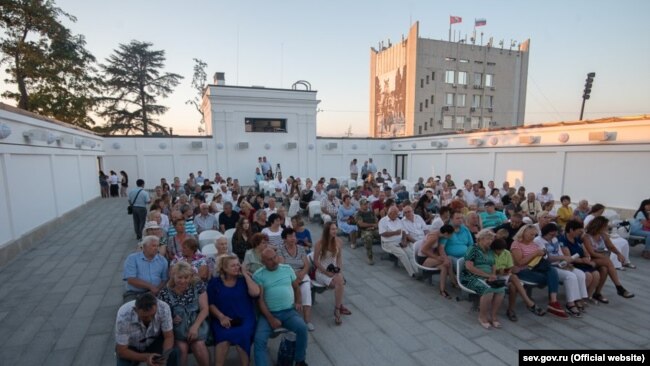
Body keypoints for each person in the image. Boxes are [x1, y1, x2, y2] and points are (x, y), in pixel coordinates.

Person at [253, 248, 309, 366]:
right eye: (269, 260)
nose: (274, 261)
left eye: (275, 257)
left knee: (302, 328)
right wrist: (270, 319)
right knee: (259, 340)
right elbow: (260, 301)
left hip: (288, 311)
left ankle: (300, 360)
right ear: (263, 262)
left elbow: (296, 288)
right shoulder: (259, 275)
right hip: (269, 313)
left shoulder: (287, 269)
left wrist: (298, 301)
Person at [208, 255, 260, 366]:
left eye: (238, 265)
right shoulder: (215, 283)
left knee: (243, 334)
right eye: (233, 266)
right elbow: (210, 304)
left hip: (245, 317)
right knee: (223, 338)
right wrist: (221, 317)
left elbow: (255, 293)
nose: (237, 267)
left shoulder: (243, 280)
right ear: (224, 268)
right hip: (222, 318)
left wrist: (245, 274)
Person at [510, 225, 568, 319]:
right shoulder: (516, 244)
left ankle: (553, 301)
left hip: (536, 268)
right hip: (522, 270)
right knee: (552, 277)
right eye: (530, 234)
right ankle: (553, 303)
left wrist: (542, 254)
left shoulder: (534, 244)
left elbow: (539, 258)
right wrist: (535, 254)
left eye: (534, 234)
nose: (533, 236)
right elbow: (520, 262)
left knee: (552, 271)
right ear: (523, 233)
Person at [157, 262, 209, 366]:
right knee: (181, 349)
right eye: (179, 277)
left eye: (186, 277)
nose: (183, 281)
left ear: (191, 276)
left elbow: (205, 309)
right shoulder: (164, 293)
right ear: (173, 276)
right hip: (178, 329)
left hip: (196, 324)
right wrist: (171, 318)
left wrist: (195, 327)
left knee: (198, 345)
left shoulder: (198, 285)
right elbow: (160, 315)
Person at [534, 223, 587, 317]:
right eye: (551, 234)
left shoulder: (554, 239)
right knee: (570, 276)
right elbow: (546, 258)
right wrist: (563, 257)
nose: (553, 237)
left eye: (555, 234)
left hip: (559, 264)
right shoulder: (538, 241)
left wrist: (566, 262)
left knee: (580, 274)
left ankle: (578, 299)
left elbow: (559, 252)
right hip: (549, 267)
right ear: (545, 233)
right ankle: (570, 304)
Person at [115, 292, 180, 366]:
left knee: (173, 353)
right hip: (131, 346)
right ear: (135, 310)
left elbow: (169, 337)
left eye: (153, 315)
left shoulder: (163, 307)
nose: (150, 319)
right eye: (145, 317)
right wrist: (146, 357)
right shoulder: (124, 315)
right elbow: (122, 351)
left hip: (154, 342)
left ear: (156, 306)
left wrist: (164, 357)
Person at [491, 238, 546, 322]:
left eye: (502, 250)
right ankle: (527, 304)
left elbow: (510, 267)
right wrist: (499, 271)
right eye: (498, 250)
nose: (500, 252)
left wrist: (509, 270)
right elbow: (490, 268)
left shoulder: (507, 253)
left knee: (513, 284)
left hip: (505, 276)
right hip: (493, 276)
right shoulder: (490, 254)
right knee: (514, 280)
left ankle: (512, 310)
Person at [582, 216, 634, 302]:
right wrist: (604, 257)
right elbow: (592, 253)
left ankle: (597, 293)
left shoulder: (603, 235)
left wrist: (618, 254)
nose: (607, 227)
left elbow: (611, 246)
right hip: (590, 259)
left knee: (604, 268)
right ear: (600, 226)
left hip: (601, 260)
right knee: (607, 261)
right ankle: (619, 287)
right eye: (605, 225)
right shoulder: (587, 237)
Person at [460, 229, 505, 329]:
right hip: (470, 276)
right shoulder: (473, 249)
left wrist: (493, 275)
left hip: (488, 276)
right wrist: (487, 275)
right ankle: (482, 317)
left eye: (491, 239)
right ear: (480, 239)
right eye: (487, 239)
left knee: (501, 289)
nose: (490, 241)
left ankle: (493, 316)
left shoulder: (489, 250)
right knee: (488, 290)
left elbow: (493, 264)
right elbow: (469, 267)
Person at [313, 222, 351, 325]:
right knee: (340, 283)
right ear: (327, 231)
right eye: (332, 229)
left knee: (339, 281)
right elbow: (316, 261)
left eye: (335, 229)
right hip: (321, 271)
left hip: (334, 270)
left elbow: (339, 258)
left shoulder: (339, 241)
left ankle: (337, 309)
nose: (335, 231)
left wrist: (339, 270)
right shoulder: (319, 244)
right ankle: (338, 308)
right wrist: (326, 272)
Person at [278, 228, 314, 330]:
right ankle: (291, 319)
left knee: (306, 288)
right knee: (289, 290)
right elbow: (282, 266)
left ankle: (307, 320)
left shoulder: (301, 248)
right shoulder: (280, 249)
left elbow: (307, 265)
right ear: (284, 238)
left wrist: (302, 274)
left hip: (301, 274)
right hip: (287, 275)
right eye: (290, 236)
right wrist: (294, 277)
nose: (293, 238)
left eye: (294, 236)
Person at [558, 220, 601, 303]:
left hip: (582, 262)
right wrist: (583, 260)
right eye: (579, 230)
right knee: (588, 276)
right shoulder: (563, 240)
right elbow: (569, 257)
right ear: (571, 230)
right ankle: (579, 297)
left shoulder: (577, 239)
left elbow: (585, 250)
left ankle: (588, 296)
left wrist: (587, 257)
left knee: (596, 274)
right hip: (572, 264)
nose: (580, 232)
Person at [583, 204, 635, 269]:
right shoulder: (590, 220)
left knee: (623, 241)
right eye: (602, 211)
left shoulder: (602, 230)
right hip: (593, 250)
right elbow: (592, 252)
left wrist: (618, 254)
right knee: (614, 247)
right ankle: (616, 265)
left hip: (600, 245)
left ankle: (625, 261)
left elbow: (610, 245)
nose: (602, 212)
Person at [122, 236, 169, 303]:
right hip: (135, 293)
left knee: (163, 308)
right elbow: (131, 279)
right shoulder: (132, 258)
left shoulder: (162, 260)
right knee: (132, 309)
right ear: (144, 247)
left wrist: (156, 290)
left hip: (156, 292)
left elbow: (164, 279)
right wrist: (151, 287)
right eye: (153, 246)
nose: (156, 248)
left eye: (157, 246)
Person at [415, 225, 454, 298]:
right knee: (446, 262)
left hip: (429, 257)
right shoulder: (434, 237)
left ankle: (442, 290)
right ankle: (454, 281)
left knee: (444, 266)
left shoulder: (438, 234)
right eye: (451, 234)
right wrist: (436, 257)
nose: (452, 236)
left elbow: (438, 249)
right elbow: (423, 250)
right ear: (446, 233)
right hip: (422, 258)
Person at [379, 206, 418, 277]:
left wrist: (404, 240)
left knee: (410, 253)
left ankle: (417, 271)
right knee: (403, 255)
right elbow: (382, 233)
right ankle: (412, 273)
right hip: (389, 243)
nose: (398, 215)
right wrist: (395, 233)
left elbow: (403, 232)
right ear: (391, 213)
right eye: (396, 214)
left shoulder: (398, 220)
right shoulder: (383, 221)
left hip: (400, 241)